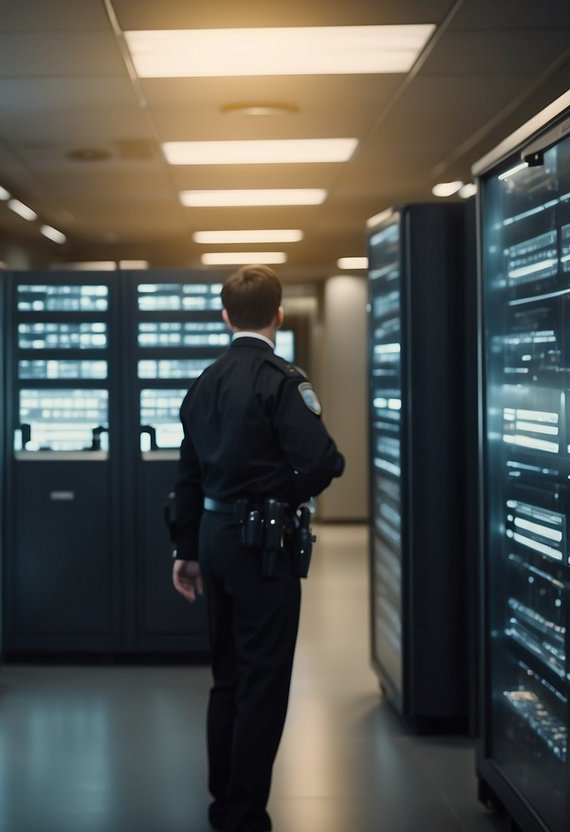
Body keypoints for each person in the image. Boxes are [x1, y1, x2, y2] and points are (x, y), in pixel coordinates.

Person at [167, 264, 345, 832]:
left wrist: (184, 549)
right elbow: (323, 461)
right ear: (279, 316)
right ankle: (244, 815)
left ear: (226, 317)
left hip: (212, 538)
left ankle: (224, 804)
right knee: (262, 681)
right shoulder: (281, 380)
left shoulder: (204, 382)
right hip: (262, 544)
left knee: (227, 677)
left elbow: (187, 474)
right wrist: (280, 495)